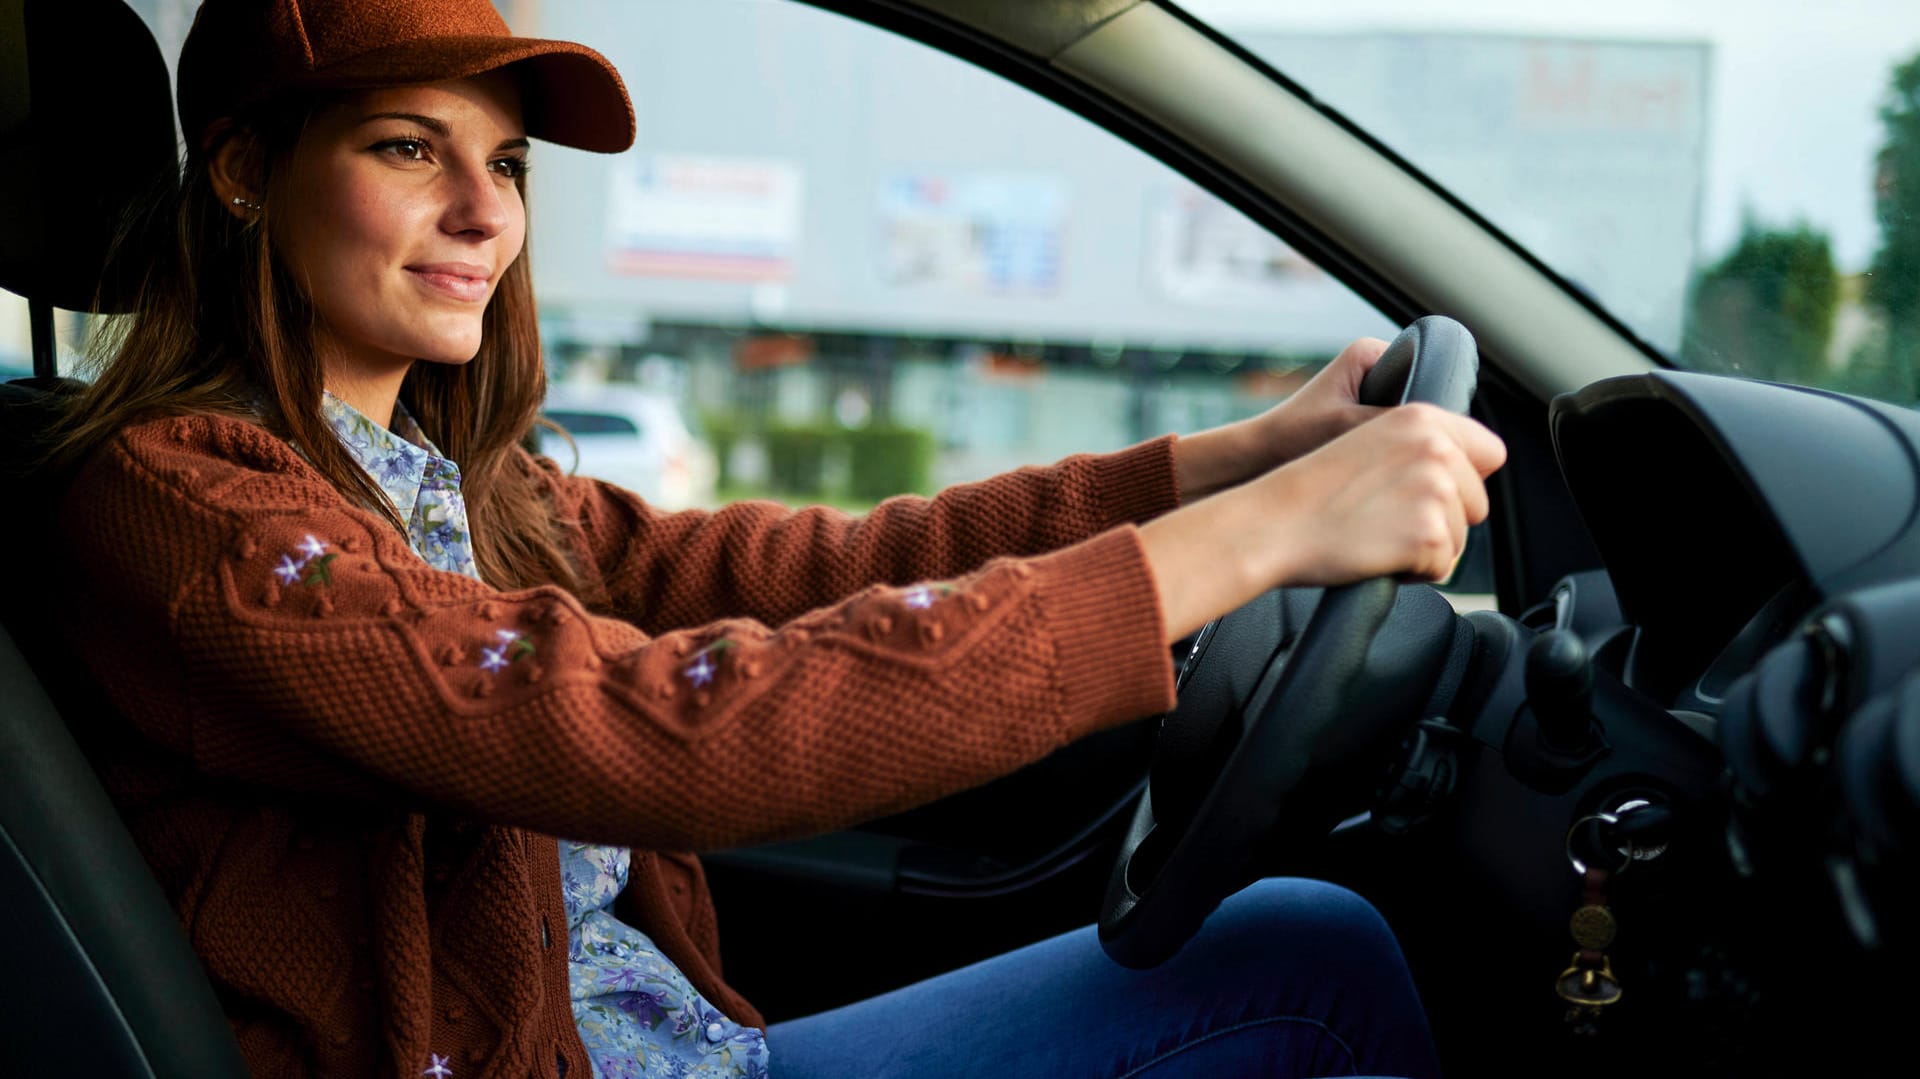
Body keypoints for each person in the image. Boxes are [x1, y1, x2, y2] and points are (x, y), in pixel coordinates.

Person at [47, 1, 1504, 1077]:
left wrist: (1216, 469)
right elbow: (653, 730)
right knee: (1317, 976)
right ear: (244, 173)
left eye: (509, 164)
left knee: (1311, 946)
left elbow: (799, 570)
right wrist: (1244, 547)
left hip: (676, 1047)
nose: (485, 211)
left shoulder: (460, 484)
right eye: (409, 148)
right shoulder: (187, 507)